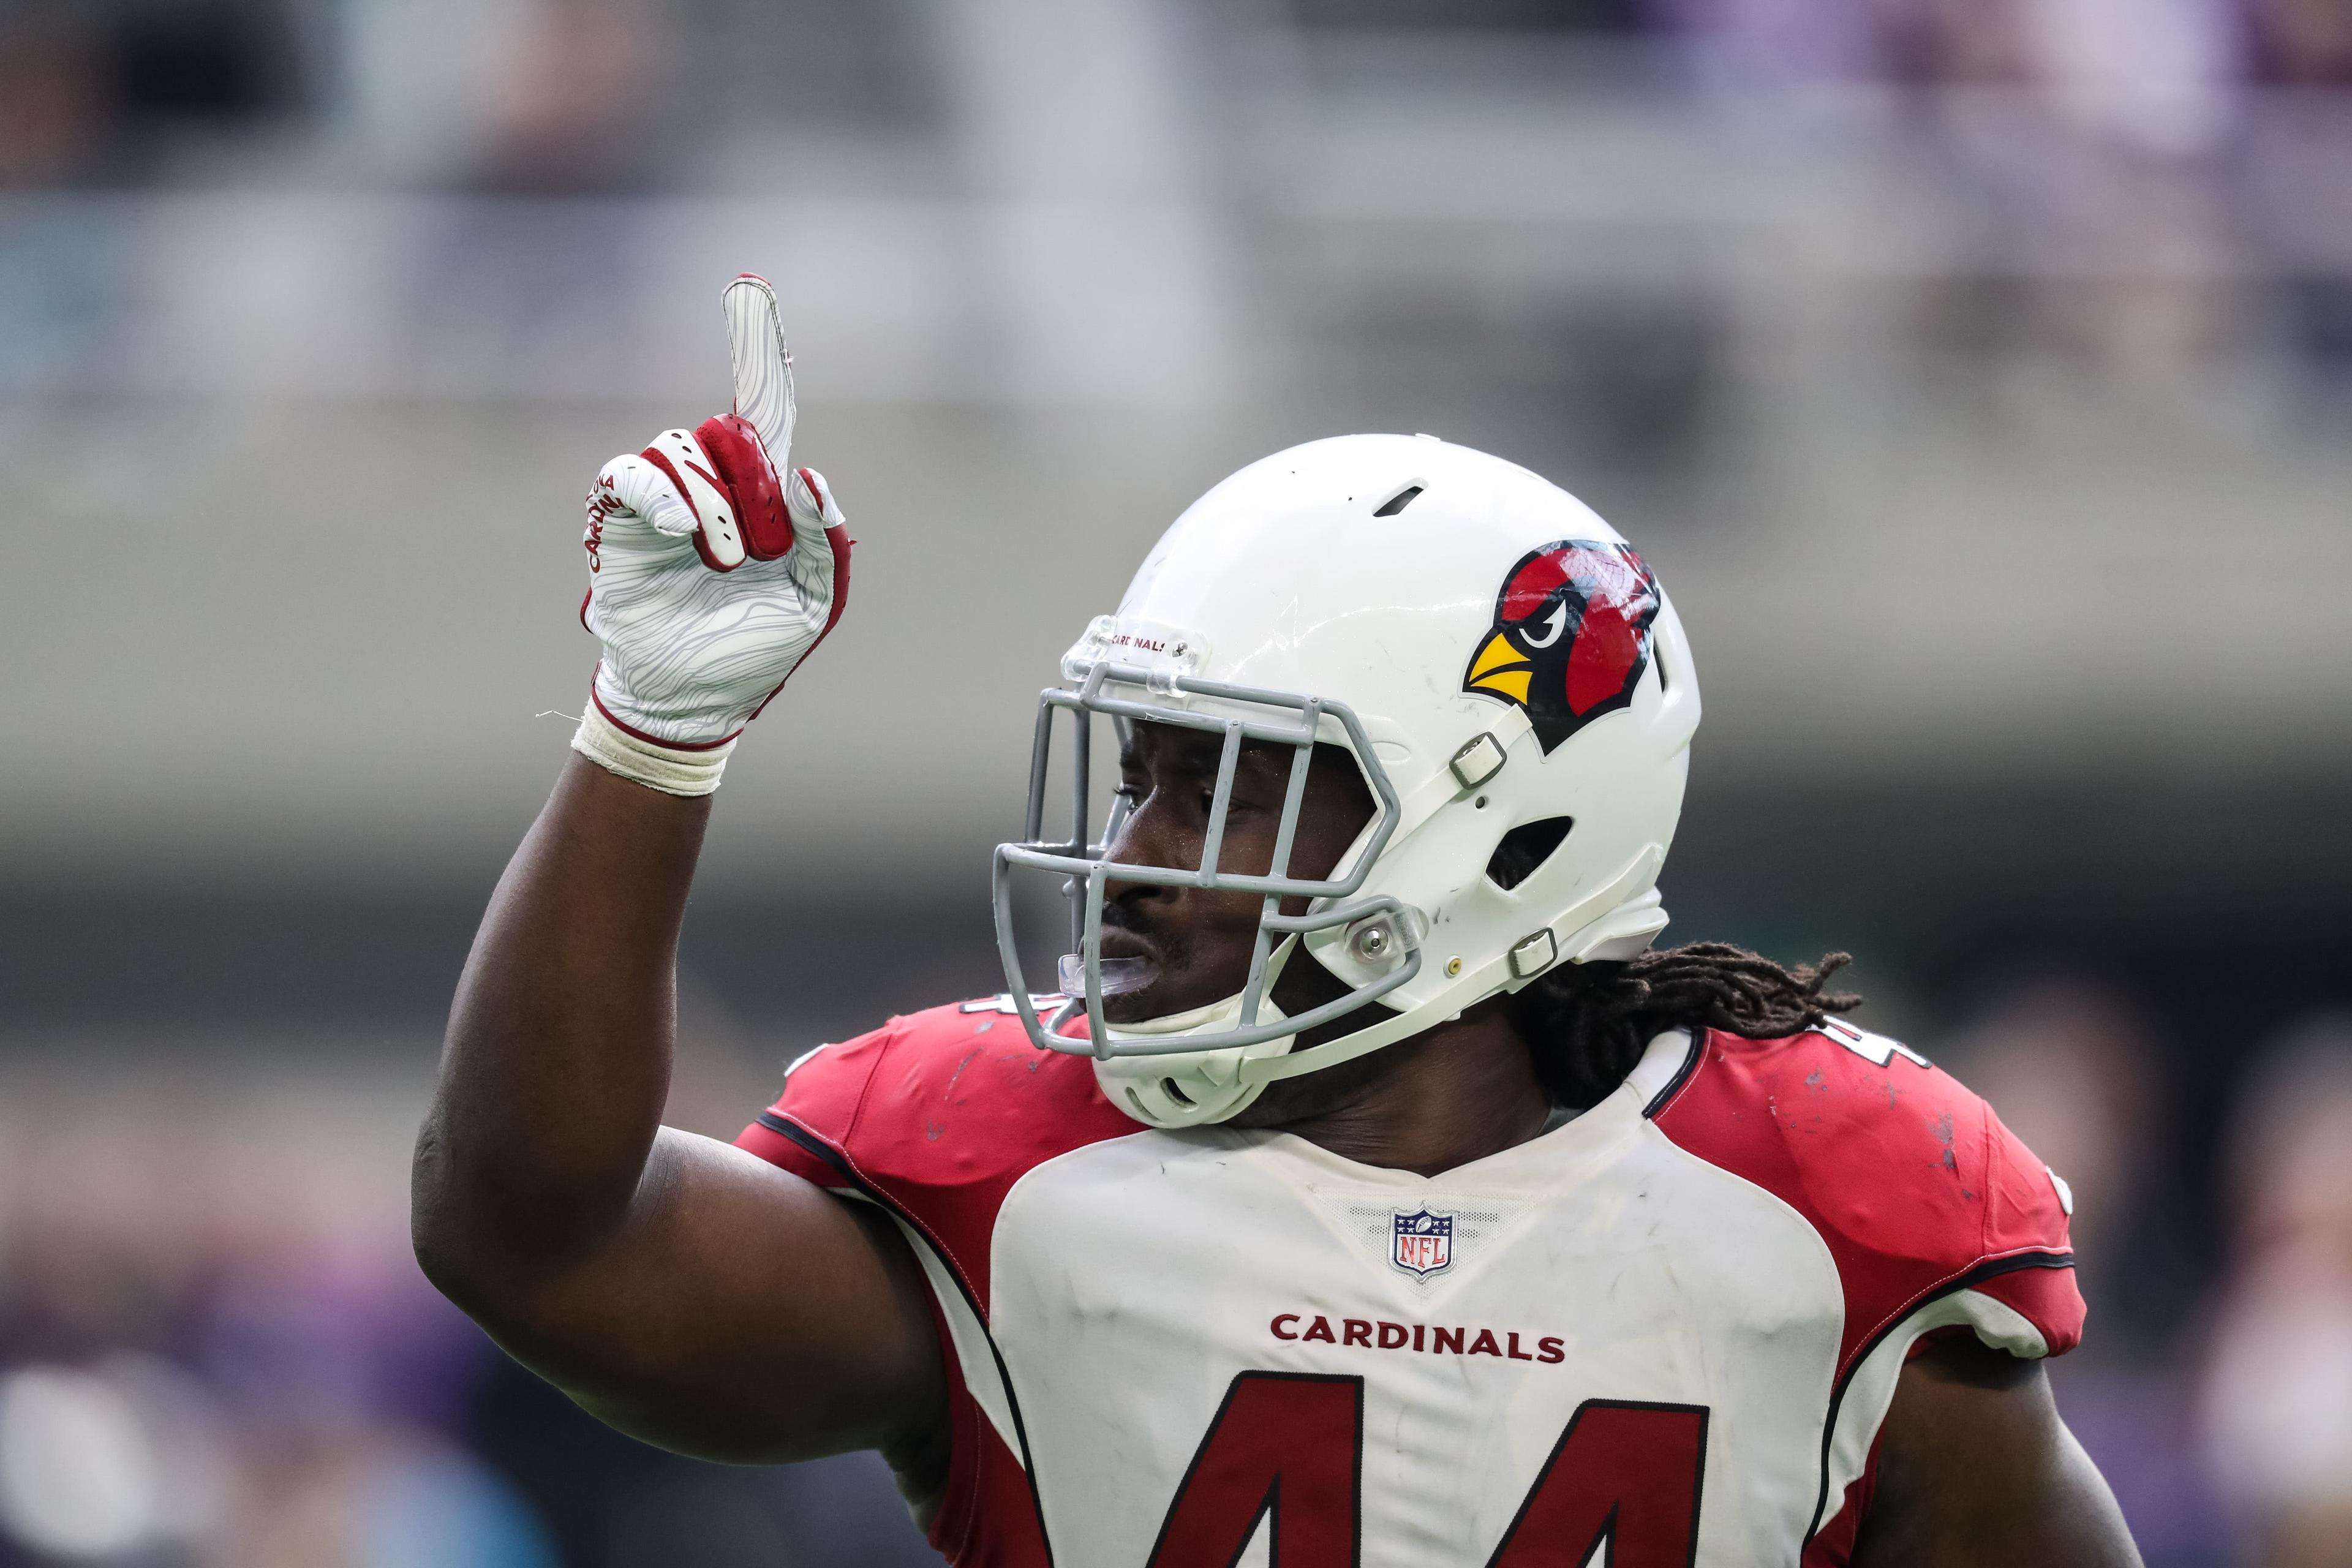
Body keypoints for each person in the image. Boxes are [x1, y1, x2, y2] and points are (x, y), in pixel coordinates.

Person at [411, 276, 2143, 1566]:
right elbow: (539, 1246)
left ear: (1502, 829)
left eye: (1228, 789)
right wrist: (652, 735)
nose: (1142, 855)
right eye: (1140, 774)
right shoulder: (1025, 1181)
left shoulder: (1821, 1227)